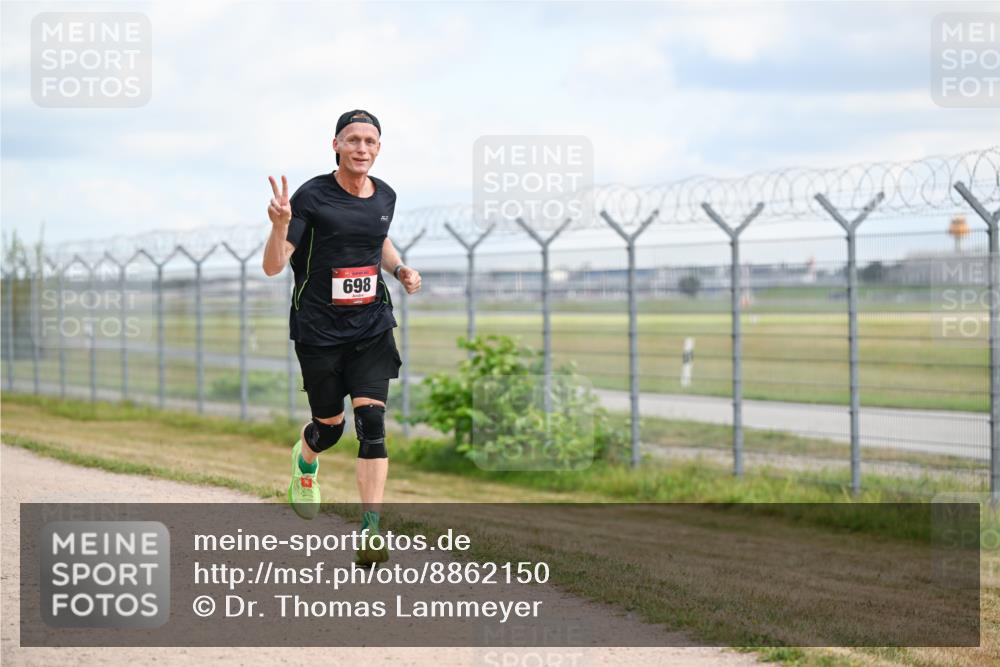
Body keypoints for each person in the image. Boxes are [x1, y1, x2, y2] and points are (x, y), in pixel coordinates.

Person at [261, 109, 421, 566]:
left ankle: (371, 529)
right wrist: (278, 225)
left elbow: (379, 239)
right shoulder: (311, 197)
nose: (361, 148)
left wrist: (400, 268)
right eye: (353, 140)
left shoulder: (385, 195)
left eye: (370, 141)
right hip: (319, 331)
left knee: (372, 426)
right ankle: (306, 457)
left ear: (379, 148)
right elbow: (274, 266)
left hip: (371, 326)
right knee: (331, 429)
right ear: (336, 145)